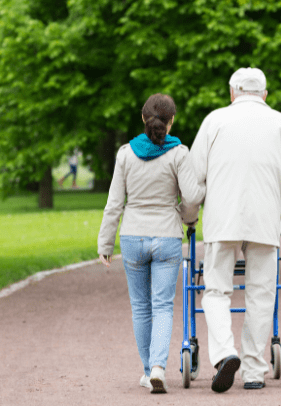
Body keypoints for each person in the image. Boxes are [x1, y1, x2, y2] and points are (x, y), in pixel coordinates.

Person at [185, 67, 281, 393]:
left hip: (221, 221)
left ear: (232, 92)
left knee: (215, 290)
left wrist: (189, 216)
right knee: (261, 293)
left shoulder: (214, 121)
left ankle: (225, 352)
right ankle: (254, 370)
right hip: (264, 221)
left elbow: (194, 178)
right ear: (265, 95)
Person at [97, 93, 204, 394]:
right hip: (167, 236)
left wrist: (105, 242)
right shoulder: (179, 153)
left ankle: (148, 371)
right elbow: (193, 197)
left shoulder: (125, 154)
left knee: (141, 308)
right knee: (163, 306)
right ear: (172, 121)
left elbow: (114, 203)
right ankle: (158, 366)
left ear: (143, 119)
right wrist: (187, 218)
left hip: (132, 237)